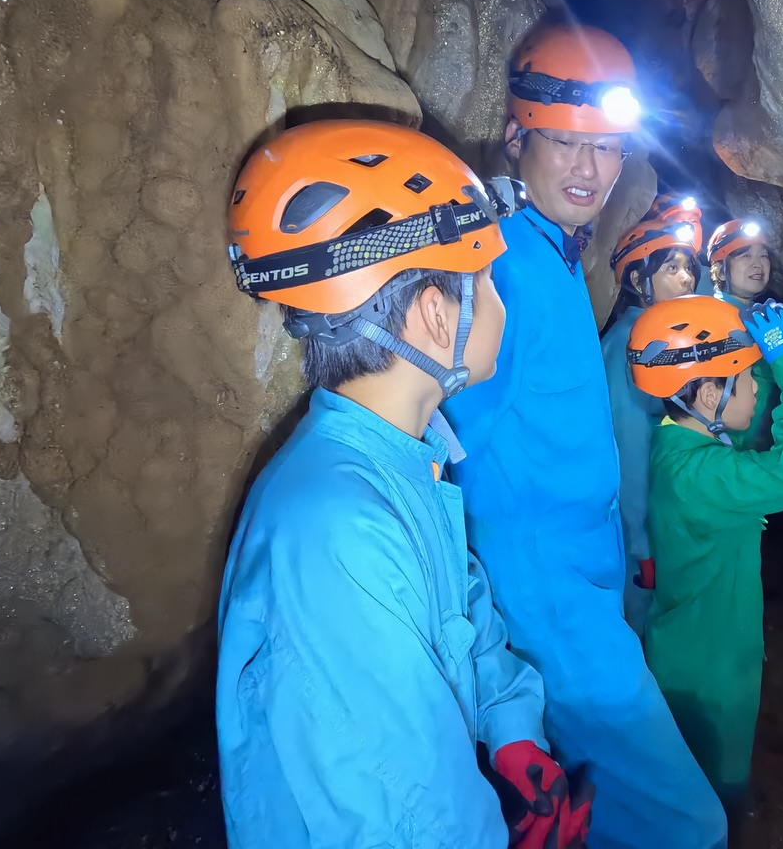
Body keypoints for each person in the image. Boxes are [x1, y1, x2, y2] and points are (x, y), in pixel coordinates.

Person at [217, 120, 591, 849]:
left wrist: (510, 731)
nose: (500, 303)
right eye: (484, 280)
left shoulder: (399, 461)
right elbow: (409, 815)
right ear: (431, 312)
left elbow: (461, 608)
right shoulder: (335, 530)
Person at [443, 24, 729, 849]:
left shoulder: (558, 255)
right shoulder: (500, 266)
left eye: (607, 149)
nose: (591, 170)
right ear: (515, 138)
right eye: (566, 144)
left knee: (598, 805)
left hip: (586, 575)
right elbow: (450, 447)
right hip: (543, 593)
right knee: (687, 822)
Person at [627, 294, 783, 833]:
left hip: (698, 649)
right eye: (745, 379)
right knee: (708, 801)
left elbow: (740, 424)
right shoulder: (703, 477)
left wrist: (764, 361)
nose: (755, 389)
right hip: (707, 674)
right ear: (705, 393)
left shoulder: (682, 444)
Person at [599, 197, 702, 637]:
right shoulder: (634, 345)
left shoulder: (658, 339)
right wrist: (641, 543)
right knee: (642, 630)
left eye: (688, 267)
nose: (686, 277)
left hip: (659, 516)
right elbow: (631, 445)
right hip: (638, 528)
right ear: (639, 278)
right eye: (671, 268)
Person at [706, 218, 780, 451]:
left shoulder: (756, 319)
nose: (758, 265)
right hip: (734, 455)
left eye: (763, 255)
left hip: (762, 450)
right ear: (720, 270)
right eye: (745, 256)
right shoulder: (710, 324)